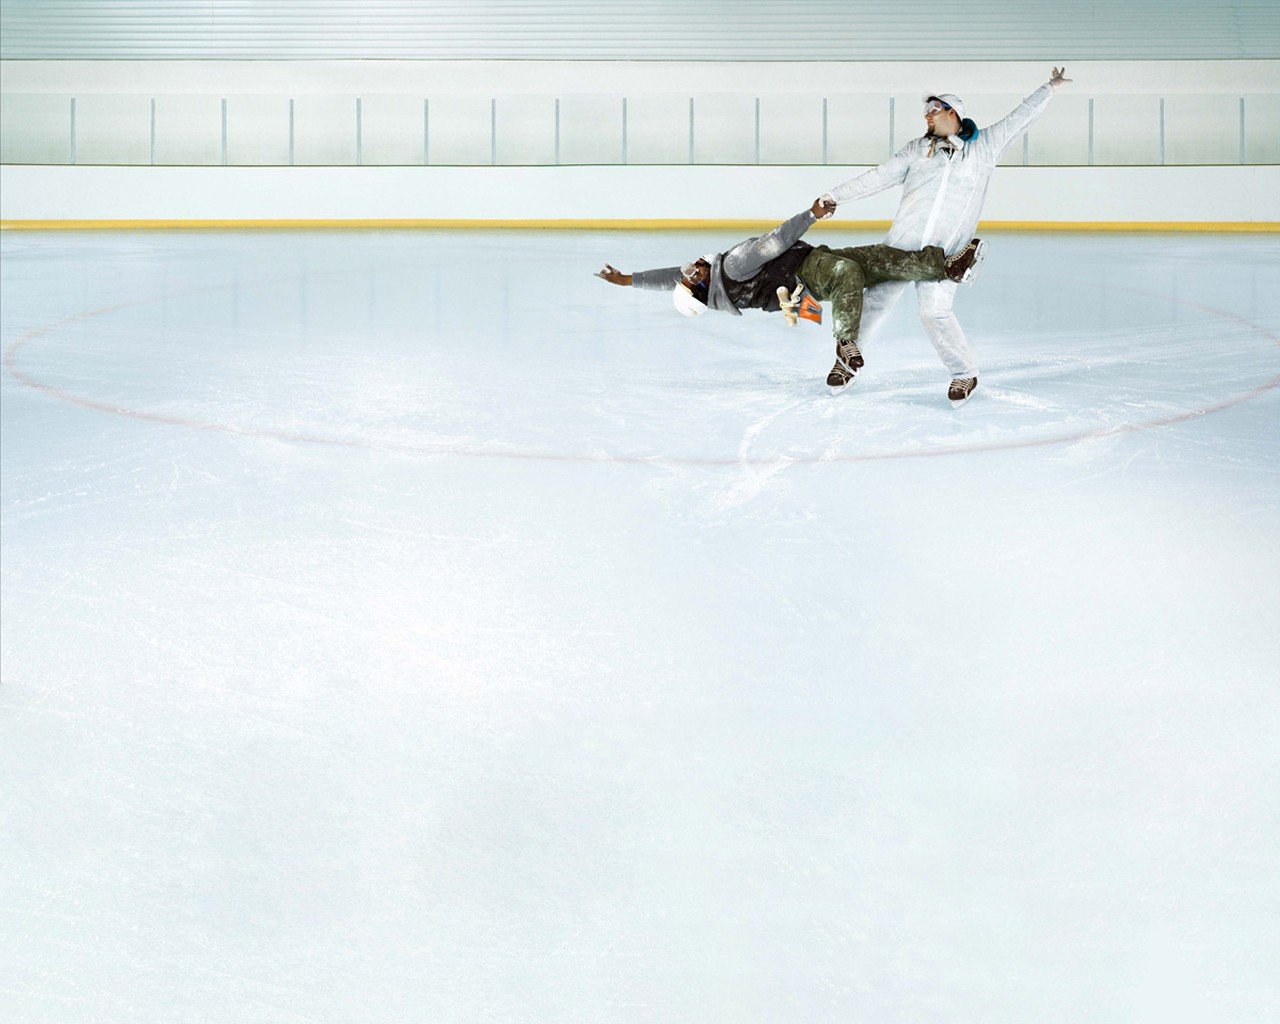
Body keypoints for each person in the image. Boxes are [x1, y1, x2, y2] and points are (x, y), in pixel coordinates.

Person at [820, 66, 1074, 404]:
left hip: (944, 256)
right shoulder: (916, 150)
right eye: (924, 111)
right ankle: (846, 364)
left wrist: (1050, 88)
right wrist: (834, 195)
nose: (926, 116)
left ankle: (963, 373)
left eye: (933, 109)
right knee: (876, 301)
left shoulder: (985, 147)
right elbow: (878, 176)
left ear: (952, 112)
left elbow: (1020, 118)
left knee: (934, 312)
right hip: (901, 248)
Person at [595, 198, 987, 384]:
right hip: (804, 268)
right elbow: (776, 241)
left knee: (879, 259)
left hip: (804, 287)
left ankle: (947, 267)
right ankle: (846, 346)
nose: (690, 269)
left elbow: (671, 279)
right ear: (702, 289)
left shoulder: (715, 294)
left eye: (687, 273)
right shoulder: (730, 266)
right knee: (849, 273)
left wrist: (629, 279)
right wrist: (811, 215)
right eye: (692, 278)